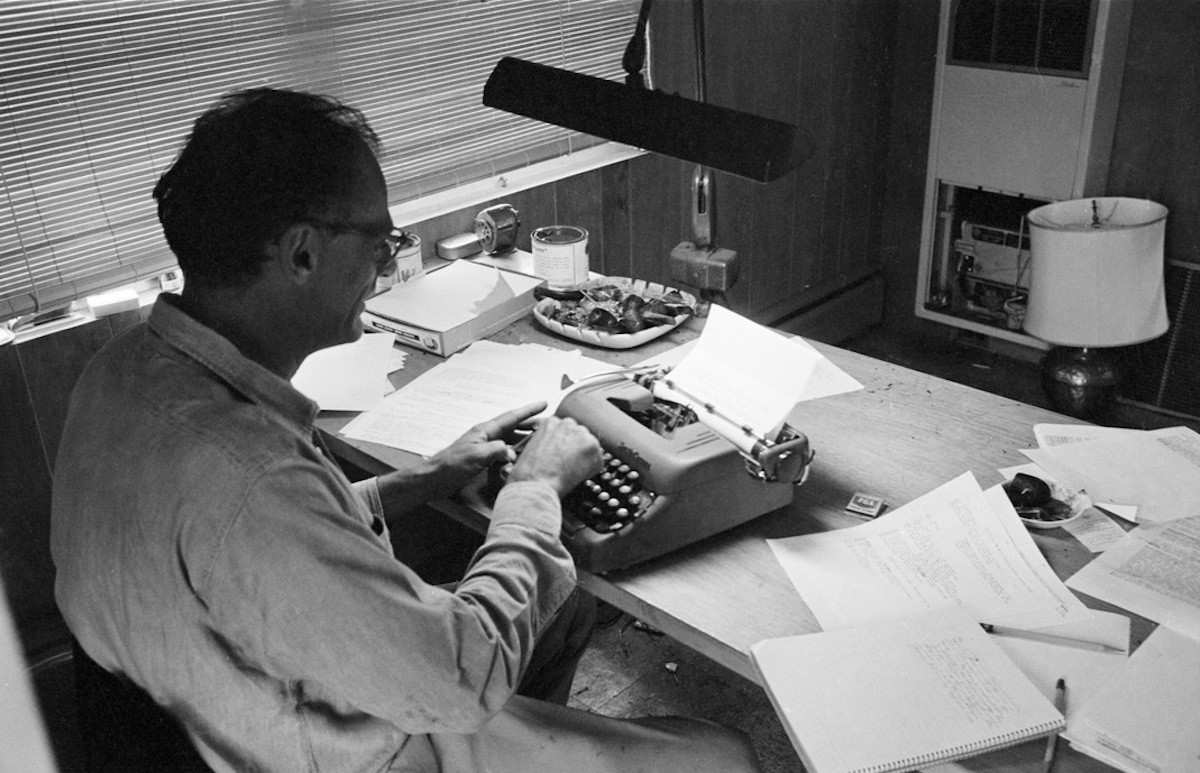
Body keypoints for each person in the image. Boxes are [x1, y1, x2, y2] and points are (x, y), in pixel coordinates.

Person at [51, 87, 761, 772]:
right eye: (380, 240)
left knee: (563, 607)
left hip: (226, 704)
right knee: (726, 755)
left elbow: (251, 550)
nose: (385, 262)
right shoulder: (252, 476)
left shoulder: (118, 372)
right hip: (348, 746)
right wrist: (535, 488)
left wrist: (424, 479)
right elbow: (458, 676)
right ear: (301, 254)